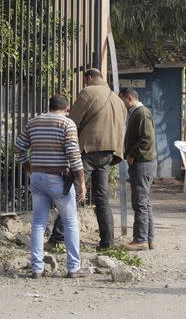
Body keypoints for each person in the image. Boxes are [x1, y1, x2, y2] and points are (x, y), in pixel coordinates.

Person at [47, 68, 127, 251]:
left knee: (72, 194)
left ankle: (56, 239)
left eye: (85, 80)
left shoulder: (88, 92)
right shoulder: (117, 99)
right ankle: (107, 242)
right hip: (109, 153)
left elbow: (72, 121)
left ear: (89, 78)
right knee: (102, 198)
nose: (85, 83)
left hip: (89, 150)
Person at [15, 94, 89, 279]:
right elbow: (73, 154)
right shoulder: (67, 124)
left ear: (49, 106)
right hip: (58, 178)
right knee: (70, 221)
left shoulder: (33, 122)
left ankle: (37, 268)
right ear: (66, 109)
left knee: (39, 222)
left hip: (37, 178)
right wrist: (81, 182)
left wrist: (28, 168)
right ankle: (73, 268)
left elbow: (18, 147)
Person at [118, 88, 157, 251]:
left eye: (121, 100)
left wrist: (132, 154)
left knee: (140, 202)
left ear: (129, 98)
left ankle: (140, 240)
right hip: (142, 162)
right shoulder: (137, 112)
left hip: (142, 163)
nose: (120, 104)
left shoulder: (141, 113)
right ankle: (148, 239)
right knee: (144, 203)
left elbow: (147, 139)